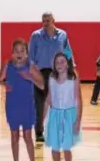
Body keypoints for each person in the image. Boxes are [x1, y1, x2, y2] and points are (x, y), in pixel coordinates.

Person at [0, 39, 44, 161]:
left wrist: (30, 77)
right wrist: (4, 83)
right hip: (12, 105)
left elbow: (42, 85)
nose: (19, 53)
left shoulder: (31, 66)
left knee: (28, 136)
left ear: (26, 53)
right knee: (14, 136)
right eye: (16, 51)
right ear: (12, 53)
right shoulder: (8, 65)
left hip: (27, 105)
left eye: (22, 51)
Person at [29, 11, 76, 142]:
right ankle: (39, 132)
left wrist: (72, 69)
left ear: (53, 20)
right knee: (40, 104)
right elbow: (31, 56)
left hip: (58, 73)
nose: (45, 23)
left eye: (47, 20)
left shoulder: (62, 35)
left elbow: (68, 52)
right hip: (41, 73)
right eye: (43, 21)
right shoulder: (36, 36)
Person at [44, 52, 82, 161]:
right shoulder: (51, 78)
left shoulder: (73, 78)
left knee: (66, 146)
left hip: (69, 114)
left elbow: (78, 100)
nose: (60, 64)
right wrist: (43, 119)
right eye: (57, 62)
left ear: (67, 64)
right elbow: (49, 98)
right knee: (55, 146)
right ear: (54, 65)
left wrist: (77, 121)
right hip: (55, 114)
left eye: (62, 61)